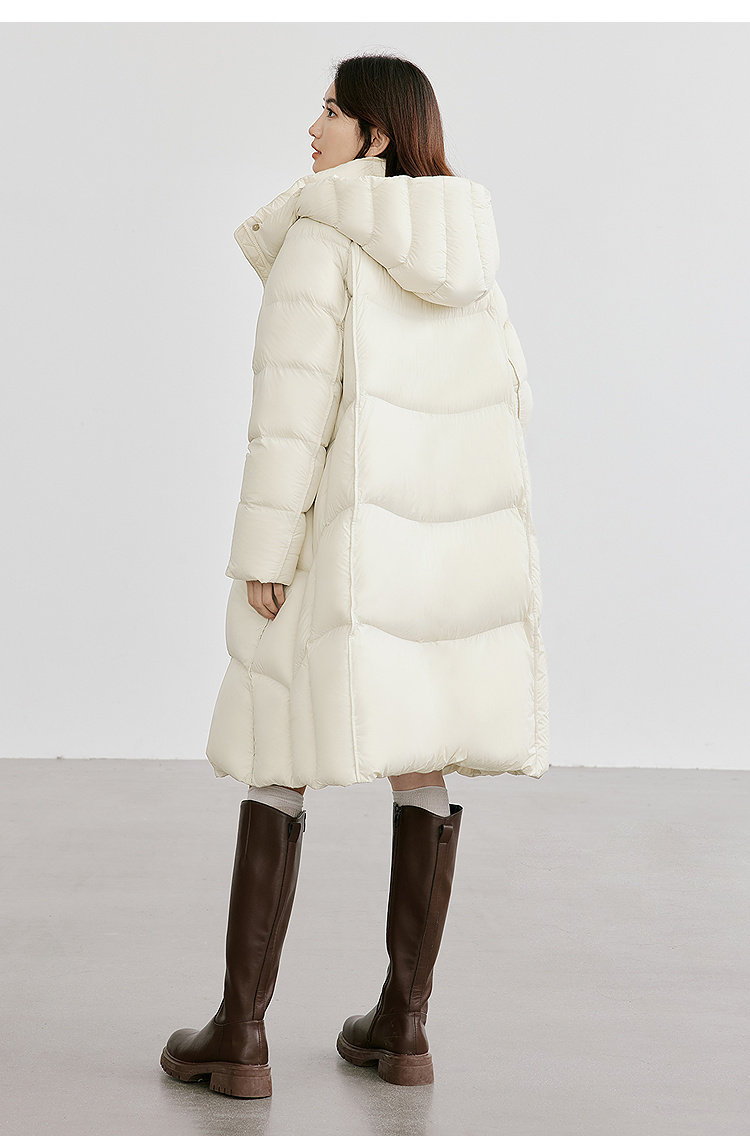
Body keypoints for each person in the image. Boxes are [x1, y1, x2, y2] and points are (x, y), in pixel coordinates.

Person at [160, 52, 549, 1098]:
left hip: (336, 542)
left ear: (377, 134)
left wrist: (265, 551)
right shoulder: (467, 249)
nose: (314, 125)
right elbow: (510, 400)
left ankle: (239, 1033)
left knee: (276, 756)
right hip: (440, 554)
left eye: (332, 109)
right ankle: (403, 1027)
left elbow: (290, 411)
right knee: (422, 761)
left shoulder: (321, 233)